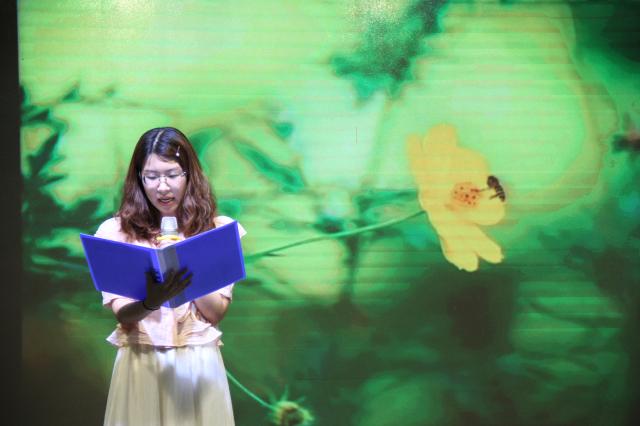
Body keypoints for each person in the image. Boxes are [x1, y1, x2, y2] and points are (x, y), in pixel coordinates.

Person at [95, 127, 245, 425]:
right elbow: (123, 314)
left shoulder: (216, 230)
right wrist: (150, 302)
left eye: (172, 174)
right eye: (151, 176)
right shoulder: (115, 232)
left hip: (197, 363)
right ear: (139, 178)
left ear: (189, 174)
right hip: (141, 361)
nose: (162, 187)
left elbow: (216, 313)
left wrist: (182, 266)